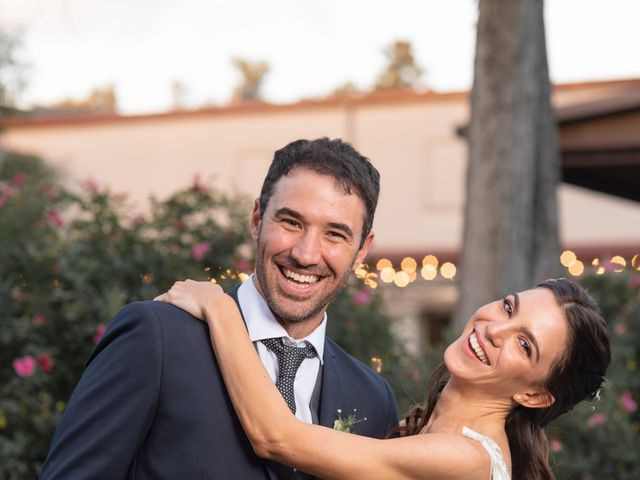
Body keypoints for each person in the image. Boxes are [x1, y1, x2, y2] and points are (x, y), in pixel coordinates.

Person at [40, 138, 398, 479]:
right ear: (257, 219)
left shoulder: (372, 399)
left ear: (362, 249)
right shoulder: (157, 338)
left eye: (334, 234)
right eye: (291, 222)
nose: (305, 254)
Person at [154, 277, 611, 480]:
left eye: (524, 344)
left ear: (534, 393)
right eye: (509, 307)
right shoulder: (429, 433)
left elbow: (277, 438)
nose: (493, 328)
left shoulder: (466, 457)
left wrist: (220, 308)